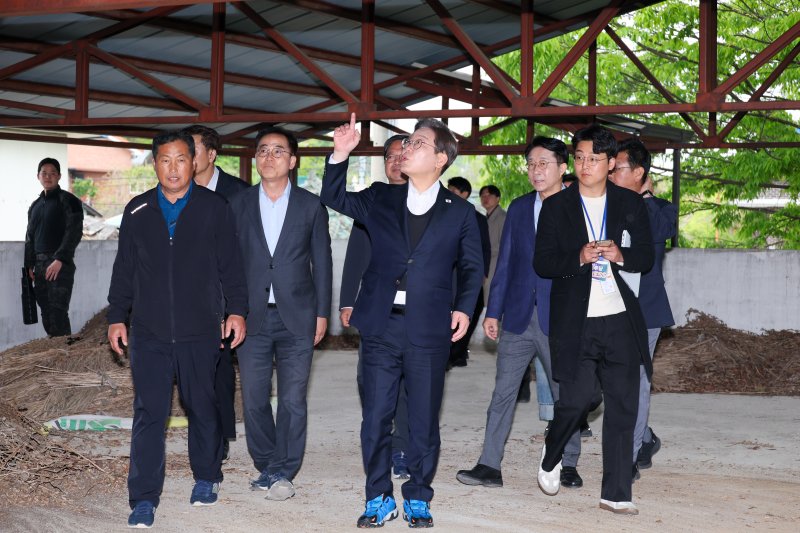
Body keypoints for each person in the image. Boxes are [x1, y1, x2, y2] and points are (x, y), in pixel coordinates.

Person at [321, 114, 483, 528]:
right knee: (376, 416)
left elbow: (471, 267)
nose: (407, 149)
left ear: (441, 158)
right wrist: (340, 153)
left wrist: (464, 308)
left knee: (423, 419)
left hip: (429, 328)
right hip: (381, 324)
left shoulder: (461, 213)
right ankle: (378, 496)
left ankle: (417, 495)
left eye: (418, 143)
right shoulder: (380, 197)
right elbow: (332, 196)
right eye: (407, 143)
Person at [107, 130, 248, 528]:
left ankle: (206, 476)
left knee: (201, 405)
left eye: (181, 159)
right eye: (165, 160)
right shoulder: (137, 210)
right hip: (148, 332)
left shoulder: (214, 207)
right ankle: (143, 497)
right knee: (149, 412)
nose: (173, 168)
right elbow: (124, 269)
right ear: (155, 164)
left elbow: (231, 266)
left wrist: (237, 311)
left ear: (195, 161)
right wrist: (116, 316)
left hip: (200, 329)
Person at [534, 124, 653, 515]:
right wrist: (578, 258)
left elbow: (647, 256)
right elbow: (543, 263)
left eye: (594, 159)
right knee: (578, 399)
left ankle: (616, 492)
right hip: (576, 320)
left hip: (620, 319)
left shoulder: (630, 203)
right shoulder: (557, 206)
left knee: (622, 404)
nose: (585, 166)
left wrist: (621, 255)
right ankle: (553, 451)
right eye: (580, 158)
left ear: (611, 162)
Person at [456, 137, 584, 490]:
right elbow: (506, 262)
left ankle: (568, 463)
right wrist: (493, 311)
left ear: (563, 168)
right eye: (531, 164)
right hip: (517, 317)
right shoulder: (520, 207)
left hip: (560, 319)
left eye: (543, 163)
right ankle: (489, 465)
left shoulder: (579, 207)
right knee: (503, 393)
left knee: (565, 395)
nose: (535, 170)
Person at [230, 126, 332, 502]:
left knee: (292, 400)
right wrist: (229, 311)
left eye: (278, 151)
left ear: (292, 161)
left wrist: (322, 312)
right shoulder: (238, 204)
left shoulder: (310, 205)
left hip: (298, 317)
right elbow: (227, 263)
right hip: (250, 318)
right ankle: (266, 464)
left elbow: (322, 262)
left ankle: (283, 469)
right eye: (262, 150)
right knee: (255, 399)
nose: (269, 157)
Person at [340, 134, 412, 479]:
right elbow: (356, 252)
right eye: (390, 157)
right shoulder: (373, 198)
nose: (396, 162)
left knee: (408, 386)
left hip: (417, 311)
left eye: (402, 155)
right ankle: (379, 437)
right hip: (376, 307)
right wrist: (346, 300)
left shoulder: (429, 200)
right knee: (368, 379)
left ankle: (401, 447)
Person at [609, 138, 677, 480]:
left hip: (645, 310)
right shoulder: (604, 205)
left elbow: (663, 231)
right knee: (607, 380)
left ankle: (630, 455)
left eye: (618, 168)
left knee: (635, 382)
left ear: (639, 173)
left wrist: (645, 197)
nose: (610, 173)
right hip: (606, 304)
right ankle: (645, 437)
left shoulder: (660, 208)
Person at [182, 124, 250, 463]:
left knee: (221, 369)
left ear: (211, 154)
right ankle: (204, 433)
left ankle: (219, 437)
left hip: (226, 294)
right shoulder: (175, 191)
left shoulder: (239, 193)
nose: (186, 158)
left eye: (192, 150)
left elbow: (248, 248)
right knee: (191, 371)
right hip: (187, 296)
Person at [24, 158, 83, 337]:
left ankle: (66, 352)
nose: (48, 177)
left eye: (52, 173)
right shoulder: (35, 206)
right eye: (44, 173)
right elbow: (30, 238)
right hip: (39, 266)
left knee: (58, 313)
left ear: (59, 176)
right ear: (38, 176)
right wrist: (29, 265)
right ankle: (56, 350)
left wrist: (60, 259)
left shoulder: (69, 200)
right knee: (46, 312)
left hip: (59, 265)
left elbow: (74, 232)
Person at [446, 176, 491, 369]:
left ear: (464, 194)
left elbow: (485, 248)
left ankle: (457, 353)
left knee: (467, 313)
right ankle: (448, 354)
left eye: (454, 191)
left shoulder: (477, 217)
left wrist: (482, 273)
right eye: (448, 189)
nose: (449, 193)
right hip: (448, 274)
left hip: (467, 274)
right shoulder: (442, 212)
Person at [478, 184, 505, 304]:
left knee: (490, 296)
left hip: (496, 261)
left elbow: (504, 246)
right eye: (483, 196)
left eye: (489, 195)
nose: (485, 198)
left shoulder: (503, 217)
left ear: (498, 198)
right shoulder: (485, 218)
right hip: (486, 260)